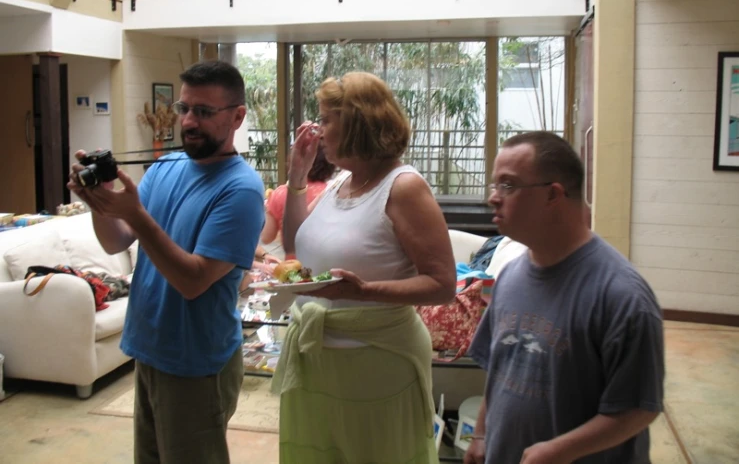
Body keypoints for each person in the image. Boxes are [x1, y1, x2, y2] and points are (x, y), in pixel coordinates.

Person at [67, 60, 265, 464]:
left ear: (238, 116)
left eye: (204, 112)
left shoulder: (241, 188)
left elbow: (193, 280)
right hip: (149, 348)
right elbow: (115, 240)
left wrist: (136, 214)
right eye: (184, 108)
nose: (189, 121)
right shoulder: (165, 168)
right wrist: (98, 199)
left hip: (197, 361)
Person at [271, 72, 456, 464]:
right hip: (317, 360)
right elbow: (294, 247)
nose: (318, 130)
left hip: (377, 362)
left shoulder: (403, 187)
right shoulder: (342, 182)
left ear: (355, 123)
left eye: (325, 119)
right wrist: (296, 177)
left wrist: (364, 292)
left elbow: (442, 285)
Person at [463, 131, 664, 464]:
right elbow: (500, 372)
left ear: (553, 195)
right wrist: (482, 434)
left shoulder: (622, 297)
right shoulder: (510, 277)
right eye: (494, 185)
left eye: (508, 186)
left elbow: (639, 408)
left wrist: (561, 450)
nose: (493, 198)